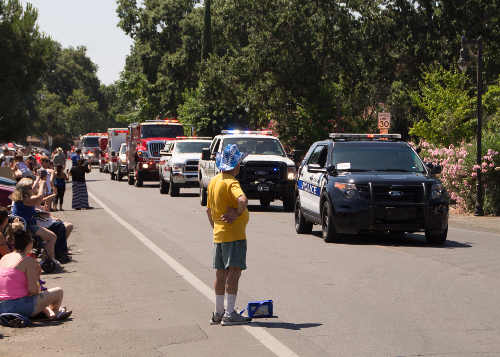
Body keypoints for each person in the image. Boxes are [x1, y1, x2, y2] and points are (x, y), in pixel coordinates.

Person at [206, 144, 251, 326]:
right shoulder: (231, 182)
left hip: (220, 235)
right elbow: (243, 200)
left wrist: (216, 227)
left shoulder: (214, 181)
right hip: (234, 235)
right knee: (234, 272)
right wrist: (238, 213)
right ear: (236, 165)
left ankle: (218, 312)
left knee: (220, 273)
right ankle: (230, 313)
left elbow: (208, 210)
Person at [0, 229, 71, 320]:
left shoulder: (4, 258)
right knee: (58, 292)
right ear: (30, 243)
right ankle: (55, 313)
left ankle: (45, 311)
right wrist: (37, 277)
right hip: (18, 306)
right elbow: (33, 290)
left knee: (32, 297)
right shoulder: (27, 261)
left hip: (1, 306)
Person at [9, 178, 58, 266]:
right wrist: (42, 183)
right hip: (26, 226)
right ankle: (48, 260)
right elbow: (39, 198)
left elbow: (35, 195)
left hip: (27, 223)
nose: (34, 188)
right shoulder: (25, 199)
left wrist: (39, 178)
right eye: (31, 187)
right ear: (26, 190)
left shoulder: (22, 197)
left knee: (50, 236)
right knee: (52, 237)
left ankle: (47, 258)